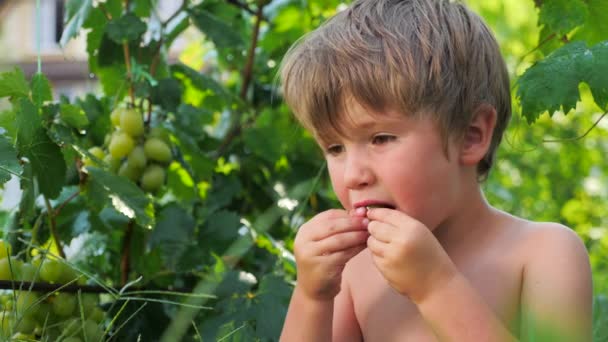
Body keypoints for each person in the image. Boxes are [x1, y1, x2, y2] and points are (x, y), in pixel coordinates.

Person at [277, 0, 593, 341]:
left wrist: (435, 286)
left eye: (381, 138)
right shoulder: (355, 272)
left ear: (471, 135)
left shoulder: (543, 254)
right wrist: (312, 297)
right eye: (335, 148)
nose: (354, 175)